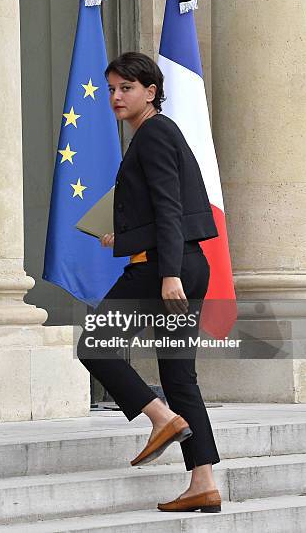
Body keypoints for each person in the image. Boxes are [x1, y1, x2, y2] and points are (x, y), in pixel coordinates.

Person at [76, 51, 221, 513]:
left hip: (164, 268)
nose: (116, 96)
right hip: (180, 261)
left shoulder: (154, 133)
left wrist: (169, 274)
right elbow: (166, 205)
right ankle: (203, 482)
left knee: (95, 345)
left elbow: (169, 207)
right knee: (180, 377)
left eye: (127, 88)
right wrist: (126, 233)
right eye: (113, 89)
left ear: (150, 92)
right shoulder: (158, 133)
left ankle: (160, 418)